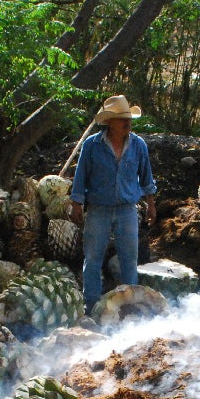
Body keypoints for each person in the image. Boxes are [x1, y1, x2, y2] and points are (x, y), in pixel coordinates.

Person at [70, 95, 157, 310]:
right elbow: (81, 175)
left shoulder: (138, 145)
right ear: (109, 122)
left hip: (127, 209)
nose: (127, 123)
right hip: (99, 208)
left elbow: (146, 177)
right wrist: (76, 203)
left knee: (129, 260)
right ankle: (91, 306)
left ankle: (131, 306)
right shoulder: (92, 145)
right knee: (92, 259)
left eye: (128, 118)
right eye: (121, 119)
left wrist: (151, 204)